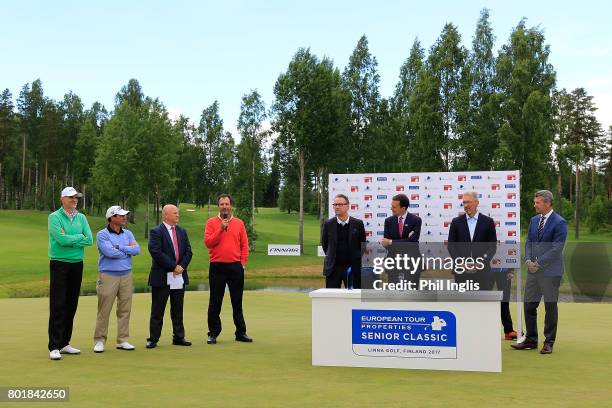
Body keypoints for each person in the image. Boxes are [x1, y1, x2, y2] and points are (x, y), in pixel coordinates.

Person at [512, 190, 567, 355]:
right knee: (529, 305)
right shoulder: (534, 220)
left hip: (550, 272)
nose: (534, 205)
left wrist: (539, 263)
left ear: (547, 203)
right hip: (533, 272)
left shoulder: (560, 222)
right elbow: (529, 242)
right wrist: (528, 261)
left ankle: (549, 342)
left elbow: (557, 248)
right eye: (535, 202)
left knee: (550, 306)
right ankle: (531, 340)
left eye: (537, 202)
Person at [47, 186, 93, 360]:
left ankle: (65, 343)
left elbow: (89, 239)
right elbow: (60, 239)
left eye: (76, 198)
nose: (75, 200)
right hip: (59, 263)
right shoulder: (54, 217)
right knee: (58, 304)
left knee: (71, 304)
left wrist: (72, 239)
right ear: (62, 199)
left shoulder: (81, 217)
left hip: (76, 264)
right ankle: (54, 346)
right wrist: (78, 238)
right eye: (71, 197)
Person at [204, 194, 251, 345]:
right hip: (217, 267)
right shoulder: (211, 223)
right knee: (215, 301)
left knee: (237, 301)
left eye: (227, 204)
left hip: (235, 267)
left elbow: (244, 245)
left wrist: (242, 263)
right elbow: (209, 243)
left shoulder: (239, 223)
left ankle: (240, 332)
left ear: (231, 206)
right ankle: (213, 333)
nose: (224, 206)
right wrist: (220, 229)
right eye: (222, 204)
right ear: (218, 206)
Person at [93, 206, 140, 353]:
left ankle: (123, 340)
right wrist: (127, 250)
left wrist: (119, 247)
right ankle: (100, 340)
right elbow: (109, 252)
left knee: (125, 309)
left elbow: (137, 250)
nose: (124, 217)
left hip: (126, 275)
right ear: (112, 217)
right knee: (104, 310)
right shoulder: (102, 234)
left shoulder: (128, 233)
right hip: (108, 275)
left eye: (125, 215)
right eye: (120, 215)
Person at [146, 204, 193, 349]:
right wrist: (174, 266)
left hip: (179, 276)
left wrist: (181, 266)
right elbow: (156, 252)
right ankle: (153, 338)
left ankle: (178, 337)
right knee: (158, 310)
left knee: (178, 309)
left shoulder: (182, 231)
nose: (178, 215)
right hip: (162, 276)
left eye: (178, 213)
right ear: (166, 215)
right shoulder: (156, 232)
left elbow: (188, 252)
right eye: (175, 213)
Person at [447, 191, 497, 290]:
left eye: (468, 202)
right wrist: (460, 262)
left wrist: (481, 262)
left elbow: (492, 247)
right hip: (461, 272)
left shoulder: (488, 222)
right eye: (464, 203)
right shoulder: (456, 222)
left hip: (482, 272)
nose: (466, 205)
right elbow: (451, 246)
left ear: (477, 203)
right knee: (463, 304)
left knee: (481, 303)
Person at [321, 194, 366, 289]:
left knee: (354, 298)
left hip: (352, 267)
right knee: (332, 298)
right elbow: (325, 245)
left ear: (347, 206)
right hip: (333, 268)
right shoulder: (328, 224)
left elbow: (362, 245)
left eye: (340, 204)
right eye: (335, 204)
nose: (337, 206)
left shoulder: (358, 224)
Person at [381, 193, 422, 285]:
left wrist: (391, 242)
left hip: (411, 262)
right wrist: (406, 240)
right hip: (393, 261)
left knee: (412, 292)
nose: (391, 208)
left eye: (394, 207)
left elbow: (412, 242)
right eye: (391, 206)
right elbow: (386, 244)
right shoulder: (388, 221)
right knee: (393, 292)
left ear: (403, 208)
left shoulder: (416, 220)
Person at [492, 267, 518, 340]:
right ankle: (481, 330)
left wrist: (511, 270)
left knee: (505, 300)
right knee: (482, 299)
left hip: (503, 269)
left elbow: (510, 255)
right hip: (485, 268)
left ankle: (508, 331)